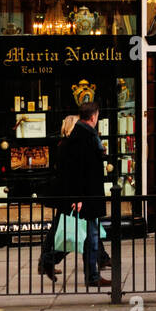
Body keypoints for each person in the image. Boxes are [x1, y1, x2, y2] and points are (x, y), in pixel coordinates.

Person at [38, 100, 113, 286]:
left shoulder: (82, 135)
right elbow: (79, 171)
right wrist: (78, 198)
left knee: (84, 236)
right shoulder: (84, 136)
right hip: (87, 196)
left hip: (87, 195)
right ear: (94, 116)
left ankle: (50, 261)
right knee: (88, 236)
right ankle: (91, 277)